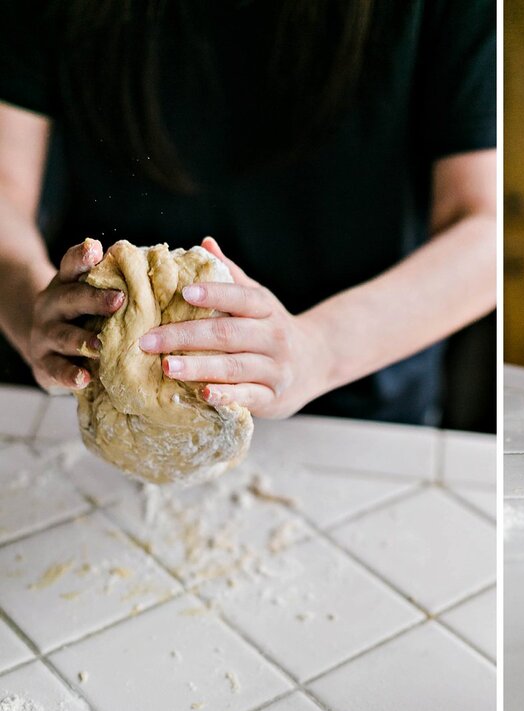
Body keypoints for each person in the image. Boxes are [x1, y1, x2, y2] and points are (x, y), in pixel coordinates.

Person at [0, 0, 496, 426]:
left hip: (357, 400)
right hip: (99, 392)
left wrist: (319, 349)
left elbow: (484, 228)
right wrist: (28, 310)